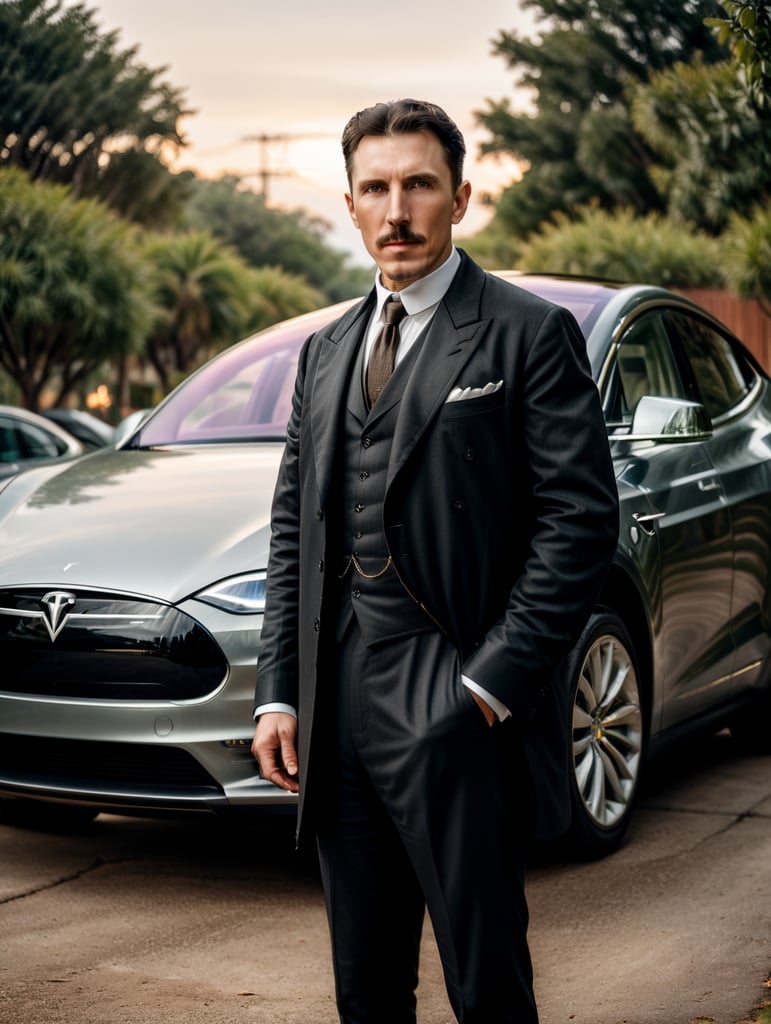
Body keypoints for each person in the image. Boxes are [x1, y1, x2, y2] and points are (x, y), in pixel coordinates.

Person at [252, 98, 619, 1024]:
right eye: (375, 189)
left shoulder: (525, 331)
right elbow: (295, 527)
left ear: (458, 197)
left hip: (453, 686)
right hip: (336, 702)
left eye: (418, 185)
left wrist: (489, 687)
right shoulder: (324, 350)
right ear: (349, 204)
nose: (397, 210)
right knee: (365, 987)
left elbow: (578, 523)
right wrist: (279, 692)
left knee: (485, 982)